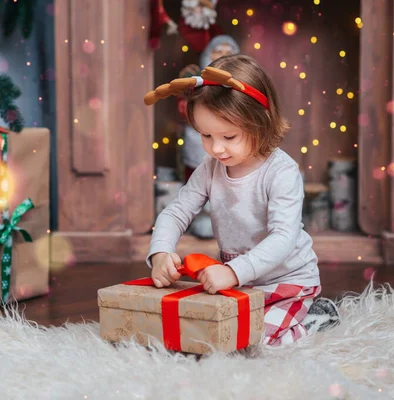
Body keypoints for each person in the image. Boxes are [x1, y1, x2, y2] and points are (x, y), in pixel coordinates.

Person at [144, 54, 340, 346]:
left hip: (288, 283)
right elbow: (175, 213)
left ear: (260, 123)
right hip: (242, 285)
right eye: (206, 135)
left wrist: (233, 271)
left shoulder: (281, 172)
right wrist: (160, 252)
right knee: (209, 334)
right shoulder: (209, 169)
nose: (217, 148)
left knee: (256, 341)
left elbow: (284, 237)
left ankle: (317, 317)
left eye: (229, 136)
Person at [177, 35, 240, 239]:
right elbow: (184, 107)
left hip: (231, 141)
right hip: (200, 139)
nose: (222, 56)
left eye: (227, 52)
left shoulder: (239, 83)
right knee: (201, 180)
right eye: (217, 51)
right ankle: (202, 216)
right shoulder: (197, 80)